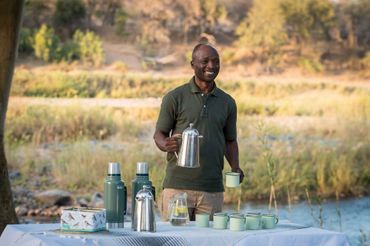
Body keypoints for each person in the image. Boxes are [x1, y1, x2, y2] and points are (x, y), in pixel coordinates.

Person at [153, 43, 244, 221]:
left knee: (208, 240)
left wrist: (235, 167)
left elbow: (230, 141)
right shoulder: (175, 97)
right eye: (205, 61)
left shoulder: (227, 102)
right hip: (177, 188)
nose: (211, 66)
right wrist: (165, 144)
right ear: (192, 64)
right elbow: (159, 133)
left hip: (212, 190)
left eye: (216, 62)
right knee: (174, 240)